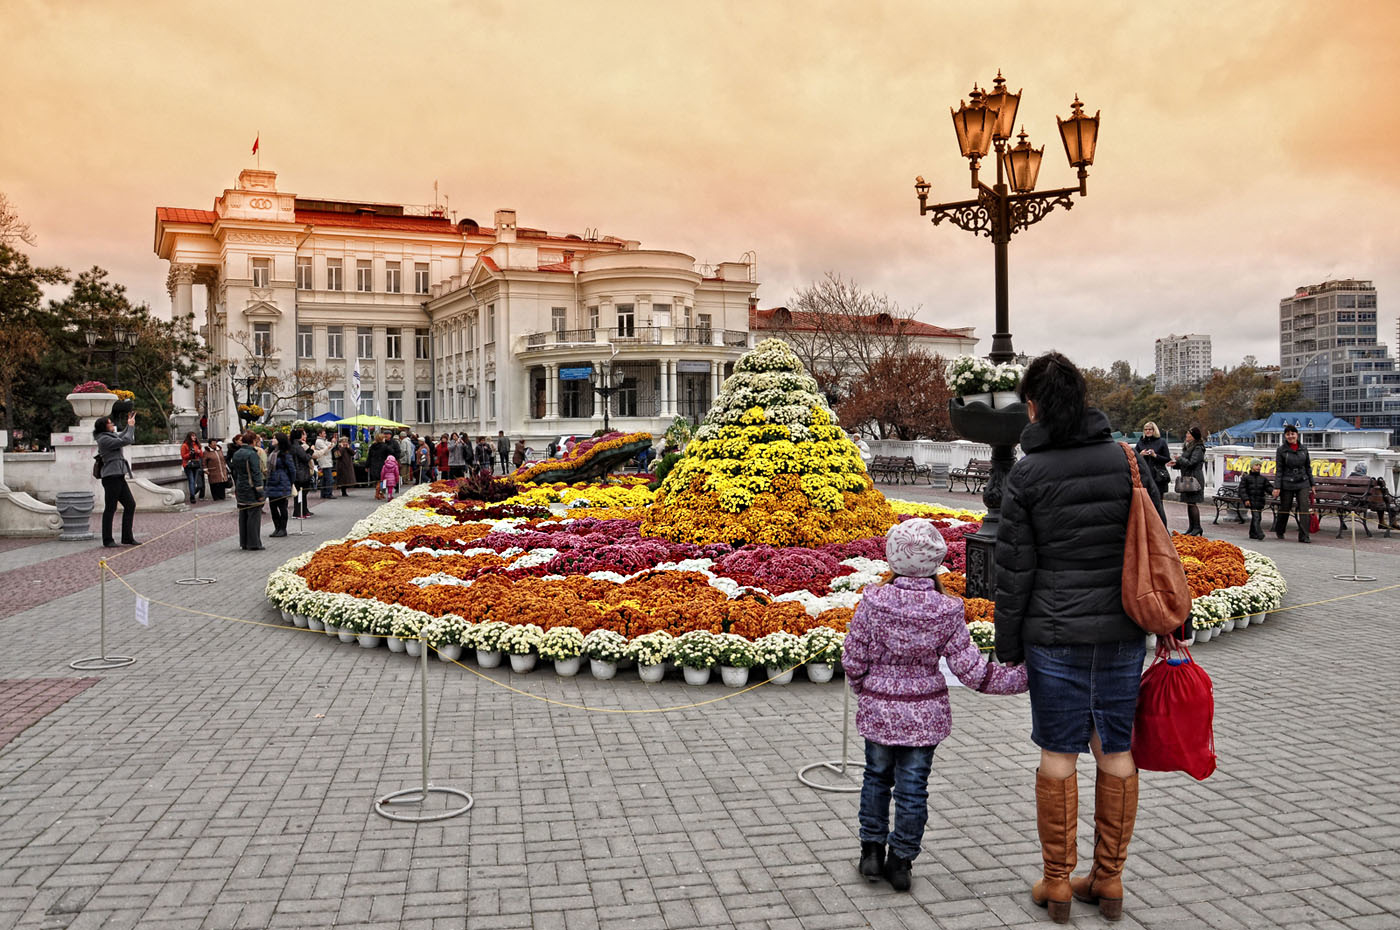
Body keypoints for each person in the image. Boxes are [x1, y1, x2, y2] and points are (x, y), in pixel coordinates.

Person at [994, 352, 1168, 924]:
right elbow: (1153, 543)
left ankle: (1057, 882)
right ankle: (1110, 880)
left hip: (1054, 633)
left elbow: (1015, 570)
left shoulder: (1027, 474)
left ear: (1036, 406)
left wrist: (1009, 643)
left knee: (1057, 753)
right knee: (1115, 749)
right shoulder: (1125, 460)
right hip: (1120, 630)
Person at [843, 518, 1027, 892]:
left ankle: (871, 853)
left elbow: (853, 657)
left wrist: (863, 687)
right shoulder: (945, 610)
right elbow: (972, 672)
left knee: (876, 779)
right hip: (925, 717)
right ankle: (901, 862)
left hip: (879, 711)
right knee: (913, 788)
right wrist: (1026, 677)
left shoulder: (874, 602)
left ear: (893, 557)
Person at [95, 414, 139, 547]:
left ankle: (127, 537)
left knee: (130, 504)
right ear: (104, 426)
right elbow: (125, 440)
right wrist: (130, 427)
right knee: (110, 508)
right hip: (111, 477)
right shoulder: (103, 439)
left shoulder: (110, 436)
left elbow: (122, 435)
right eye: (110, 423)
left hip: (118, 475)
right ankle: (107, 539)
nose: (112, 424)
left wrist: (129, 424)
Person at [1272, 424, 1313, 543]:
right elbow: (1279, 469)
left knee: (1304, 507)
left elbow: (1308, 467)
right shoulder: (1281, 450)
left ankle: (1304, 535)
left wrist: (1312, 484)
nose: (1290, 436)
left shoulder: (1303, 449)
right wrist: (1277, 486)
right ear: (1285, 436)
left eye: (1292, 434)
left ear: (1297, 435)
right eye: (1288, 434)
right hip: (1287, 482)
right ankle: (1280, 530)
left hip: (1303, 482)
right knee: (1285, 507)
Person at [229, 431, 265, 550]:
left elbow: (235, 471)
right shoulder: (252, 454)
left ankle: (244, 542)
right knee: (254, 516)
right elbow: (256, 473)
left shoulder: (237, 453)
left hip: (240, 486)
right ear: (253, 441)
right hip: (251, 488)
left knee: (243, 515)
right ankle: (254, 543)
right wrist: (260, 491)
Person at [1169, 425, 1207, 536]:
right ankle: (1192, 527)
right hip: (1187, 477)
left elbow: (1192, 463)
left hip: (1194, 478)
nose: (1186, 436)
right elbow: (1186, 463)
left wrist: (1179, 459)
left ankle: (1197, 527)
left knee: (1192, 503)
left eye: (1188, 434)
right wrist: (1175, 464)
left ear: (1194, 436)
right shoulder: (1189, 447)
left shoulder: (1198, 448)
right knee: (1189, 503)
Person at [265, 433, 295, 537]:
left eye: (275, 438)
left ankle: (283, 528)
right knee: (273, 508)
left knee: (282, 507)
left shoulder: (285, 454)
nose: (272, 440)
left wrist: (290, 483)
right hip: (271, 482)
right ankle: (276, 528)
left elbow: (292, 470)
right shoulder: (272, 452)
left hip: (282, 483)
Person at [1133, 422, 1170, 499]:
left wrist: (1155, 455)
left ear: (1154, 430)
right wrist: (1141, 455)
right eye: (1145, 429)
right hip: (1145, 475)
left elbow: (1167, 458)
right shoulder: (1140, 442)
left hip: (1158, 475)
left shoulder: (1161, 442)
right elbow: (1133, 458)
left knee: (1159, 501)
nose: (1147, 431)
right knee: (1146, 500)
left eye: (1150, 429)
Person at [1239, 460, 1273, 540]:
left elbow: (1268, 487)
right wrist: (1246, 499)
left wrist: (1272, 491)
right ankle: (1259, 533)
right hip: (1251, 501)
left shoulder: (1263, 479)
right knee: (1256, 517)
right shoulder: (1246, 478)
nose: (1258, 467)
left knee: (1257, 517)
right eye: (1256, 465)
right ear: (1252, 466)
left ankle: (1252, 533)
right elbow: (1242, 490)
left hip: (1260, 501)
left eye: (1260, 465)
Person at [289, 428, 314, 519]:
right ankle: (298, 512)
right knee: (301, 493)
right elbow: (305, 458)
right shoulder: (297, 446)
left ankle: (303, 511)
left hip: (298, 472)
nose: (305, 436)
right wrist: (311, 451)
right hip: (301, 472)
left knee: (301, 493)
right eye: (303, 434)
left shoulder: (293, 445)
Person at [180, 431, 204, 504]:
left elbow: (201, 455)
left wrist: (198, 452)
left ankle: (192, 494)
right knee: (191, 480)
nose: (194, 437)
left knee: (194, 481)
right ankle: (192, 496)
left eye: (195, 436)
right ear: (189, 437)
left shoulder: (197, 445)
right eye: (192, 436)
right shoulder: (185, 445)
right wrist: (190, 454)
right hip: (188, 465)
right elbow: (183, 456)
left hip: (196, 464)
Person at [367, 432, 393, 500]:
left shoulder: (372, 446)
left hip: (374, 465)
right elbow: (392, 452)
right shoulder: (385, 446)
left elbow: (369, 457)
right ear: (382, 439)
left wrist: (367, 466)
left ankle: (379, 493)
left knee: (378, 480)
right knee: (383, 480)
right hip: (383, 465)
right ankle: (380, 493)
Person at [313, 429, 335, 499]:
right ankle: (328, 493)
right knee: (329, 479)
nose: (325, 434)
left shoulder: (324, 440)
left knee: (325, 479)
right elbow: (326, 450)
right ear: (320, 434)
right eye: (324, 433)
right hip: (324, 462)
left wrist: (332, 444)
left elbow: (330, 446)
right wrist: (331, 444)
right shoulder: (319, 441)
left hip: (327, 461)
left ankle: (324, 493)